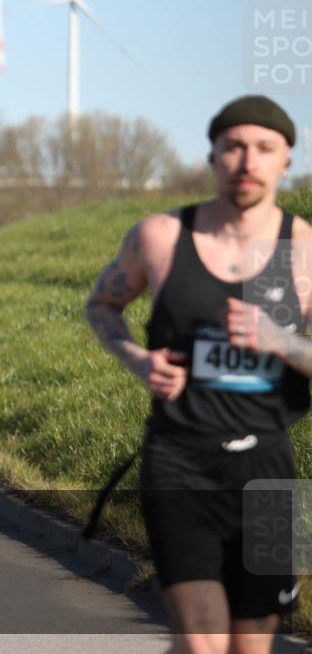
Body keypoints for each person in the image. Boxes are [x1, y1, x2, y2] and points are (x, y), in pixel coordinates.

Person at [84, 95, 311, 654]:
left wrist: (279, 340)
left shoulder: (304, 251)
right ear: (212, 155)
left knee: (251, 648)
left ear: (286, 160)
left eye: (264, 149)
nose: (247, 161)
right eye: (233, 147)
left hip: (269, 467)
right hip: (179, 458)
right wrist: (139, 360)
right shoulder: (161, 236)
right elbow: (101, 305)